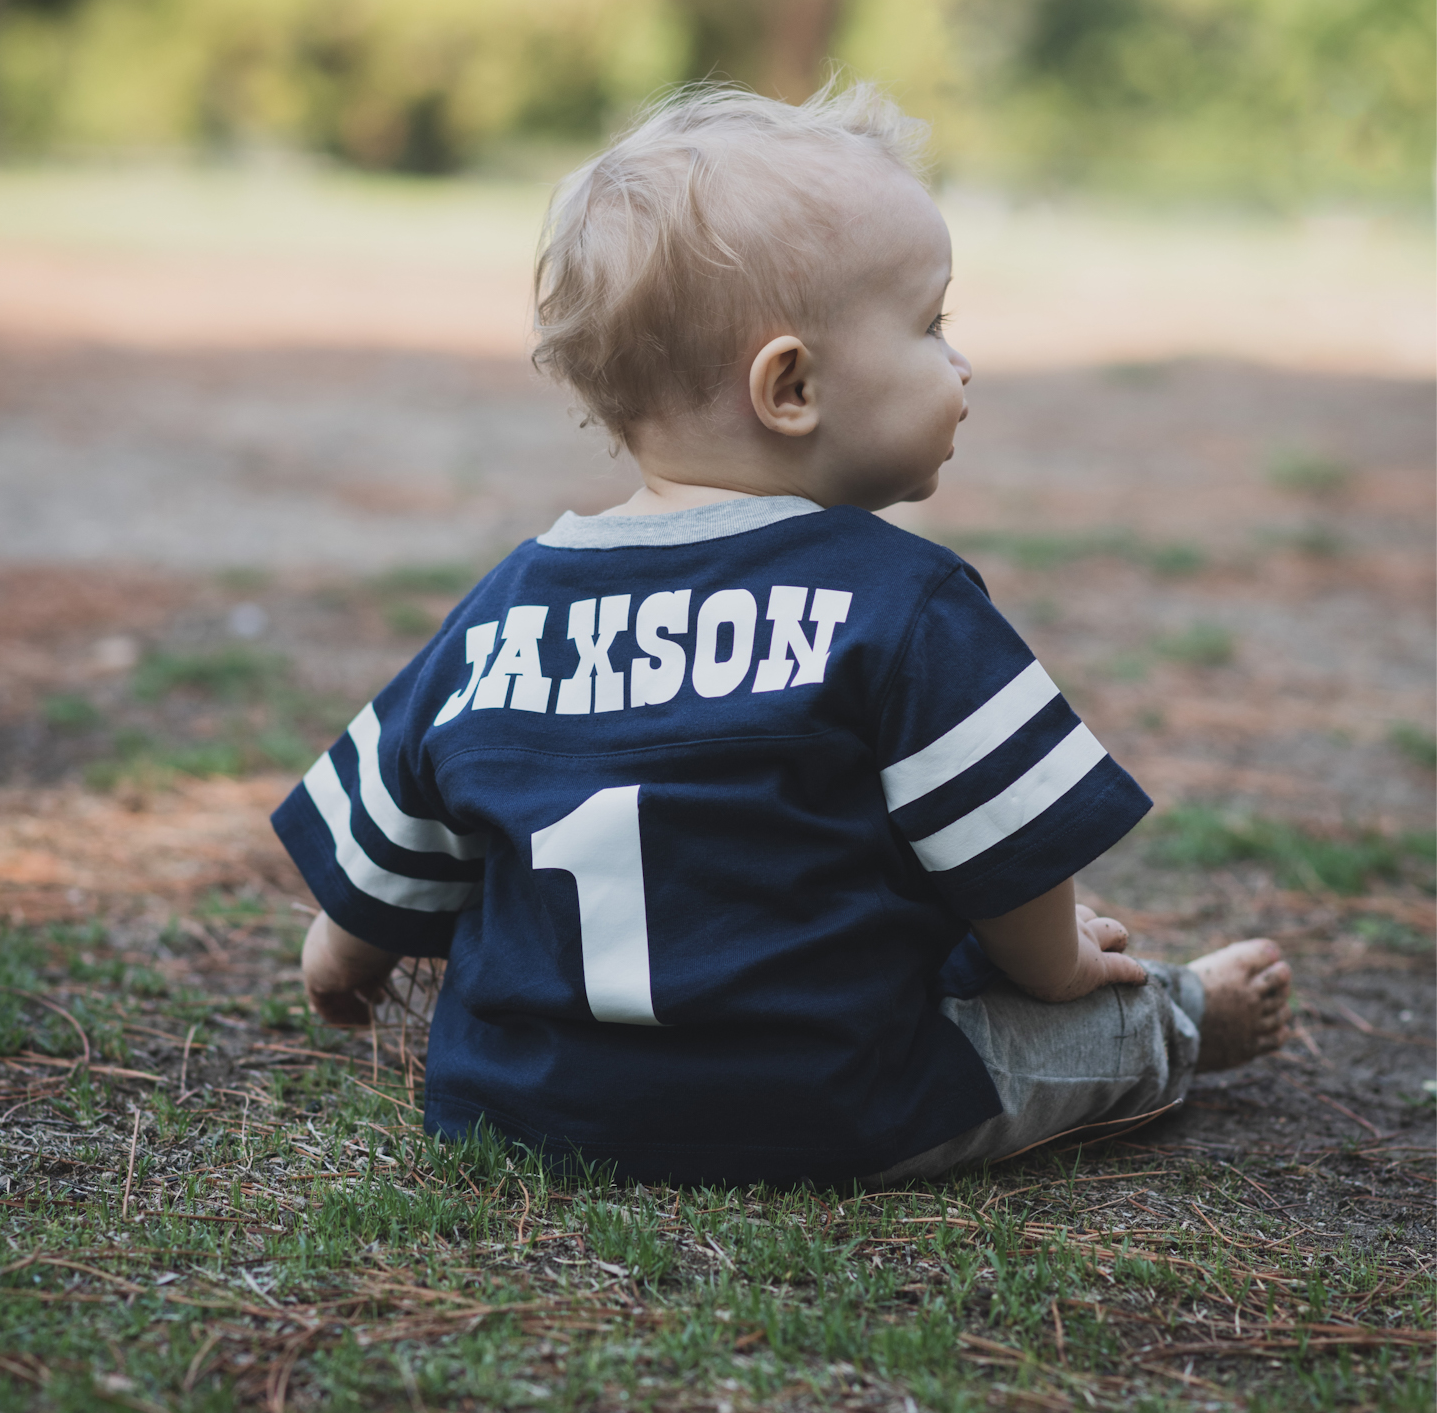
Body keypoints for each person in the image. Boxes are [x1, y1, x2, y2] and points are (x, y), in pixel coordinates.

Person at [274, 81, 1291, 1185]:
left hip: (520, 1104)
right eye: (931, 324)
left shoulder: (506, 607)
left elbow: (387, 851)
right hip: (836, 1104)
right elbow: (1012, 851)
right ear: (791, 385)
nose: (960, 364)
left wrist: (339, 961)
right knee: (1087, 1024)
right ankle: (1195, 1018)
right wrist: (1049, 969)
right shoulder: (903, 599)